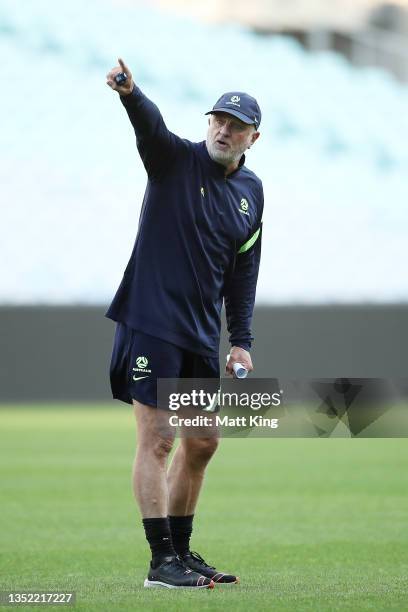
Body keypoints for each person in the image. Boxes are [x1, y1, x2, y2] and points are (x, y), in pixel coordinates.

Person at [105, 58, 263, 589]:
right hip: (151, 322)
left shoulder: (251, 194)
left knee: (204, 441)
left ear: (253, 138)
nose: (224, 129)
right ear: (208, 124)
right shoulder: (174, 160)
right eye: (218, 119)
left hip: (198, 334)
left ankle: (182, 550)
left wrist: (240, 340)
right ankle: (160, 563)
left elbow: (243, 272)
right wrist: (131, 93)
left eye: (236, 125)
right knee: (158, 440)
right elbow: (149, 127)